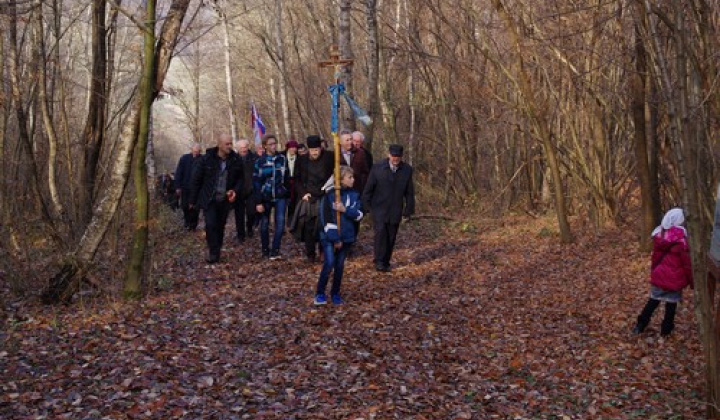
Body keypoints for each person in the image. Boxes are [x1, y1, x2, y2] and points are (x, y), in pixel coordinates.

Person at [632, 208, 694, 336]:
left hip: (659, 276)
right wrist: (691, 281)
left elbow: (655, 258)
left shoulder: (659, 234)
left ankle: (640, 325)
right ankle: (666, 331)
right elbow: (686, 263)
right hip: (675, 279)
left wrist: (654, 272)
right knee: (671, 306)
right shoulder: (682, 239)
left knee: (653, 301)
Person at [189, 135, 243, 264]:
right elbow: (196, 180)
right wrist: (192, 200)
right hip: (209, 198)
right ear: (219, 145)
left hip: (225, 199)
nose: (229, 146)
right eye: (227, 144)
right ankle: (213, 252)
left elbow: (241, 179)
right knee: (211, 224)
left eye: (230, 144)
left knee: (220, 226)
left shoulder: (236, 159)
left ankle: (217, 248)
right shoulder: (206, 159)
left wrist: (234, 190)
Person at [314, 166, 364, 305]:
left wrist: (344, 209)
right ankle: (320, 292)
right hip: (329, 237)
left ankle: (335, 293)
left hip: (346, 236)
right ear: (341, 179)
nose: (353, 180)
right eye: (350, 177)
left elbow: (359, 214)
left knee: (339, 265)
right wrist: (335, 238)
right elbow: (326, 218)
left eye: (352, 177)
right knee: (329, 262)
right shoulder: (330, 195)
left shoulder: (354, 194)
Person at [362, 144, 415, 272]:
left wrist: (408, 210)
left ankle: (386, 260)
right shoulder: (378, 168)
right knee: (380, 234)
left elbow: (409, 192)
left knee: (391, 236)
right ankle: (379, 260)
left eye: (398, 157)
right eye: (393, 156)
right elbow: (368, 189)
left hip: (395, 208)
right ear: (388, 155)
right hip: (379, 207)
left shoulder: (407, 170)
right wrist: (366, 206)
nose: (395, 159)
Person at [294, 135, 333, 263]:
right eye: (312, 150)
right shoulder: (301, 160)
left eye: (317, 149)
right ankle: (310, 253)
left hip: (325, 195)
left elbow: (337, 172)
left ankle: (323, 250)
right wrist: (303, 193)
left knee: (324, 224)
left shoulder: (329, 157)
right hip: (309, 196)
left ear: (320, 148)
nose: (315, 153)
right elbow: (297, 179)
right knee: (308, 226)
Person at [253, 134, 290, 259]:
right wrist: (258, 202)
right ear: (265, 146)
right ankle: (265, 249)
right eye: (271, 144)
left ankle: (275, 250)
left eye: (275, 143)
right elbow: (256, 182)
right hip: (265, 197)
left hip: (280, 195)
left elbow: (287, 177)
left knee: (280, 223)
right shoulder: (260, 162)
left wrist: (286, 192)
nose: (274, 146)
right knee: (264, 224)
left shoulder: (282, 159)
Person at [234, 139, 257, 242]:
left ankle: (250, 227)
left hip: (251, 189)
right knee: (239, 214)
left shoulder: (254, 158)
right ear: (238, 149)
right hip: (238, 191)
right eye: (241, 148)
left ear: (248, 147)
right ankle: (240, 235)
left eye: (245, 147)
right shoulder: (233, 159)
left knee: (251, 212)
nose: (243, 149)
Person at [174, 143, 202, 230]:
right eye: (194, 151)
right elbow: (178, 173)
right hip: (185, 187)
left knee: (195, 207)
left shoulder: (203, 159)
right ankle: (187, 222)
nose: (196, 153)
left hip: (197, 188)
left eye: (197, 151)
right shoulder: (184, 158)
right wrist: (177, 186)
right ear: (191, 150)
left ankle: (193, 225)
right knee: (185, 206)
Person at [285, 139, 300, 220]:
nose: (293, 149)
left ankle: (291, 221)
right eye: (291, 147)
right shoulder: (283, 156)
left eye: (295, 148)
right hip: (285, 183)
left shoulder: (300, 158)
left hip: (295, 183)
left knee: (294, 203)